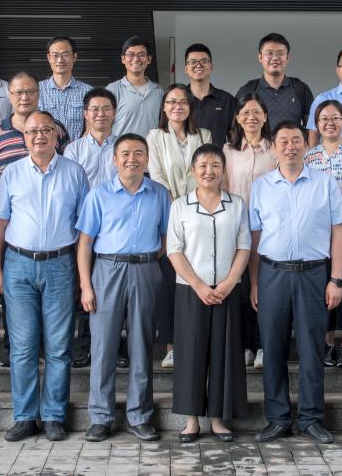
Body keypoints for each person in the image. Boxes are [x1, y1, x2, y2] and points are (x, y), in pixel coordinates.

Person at [0, 111, 89, 443]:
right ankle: (24, 416)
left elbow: (84, 230)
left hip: (61, 265)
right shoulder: (12, 173)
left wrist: (82, 276)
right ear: (24, 137)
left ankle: (54, 416)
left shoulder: (74, 172)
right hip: (18, 264)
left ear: (57, 135)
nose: (39, 136)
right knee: (23, 346)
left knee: (59, 346)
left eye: (46, 130)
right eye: (32, 131)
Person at [249, 121, 342, 445]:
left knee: (311, 349)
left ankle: (311, 419)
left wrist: (336, 279)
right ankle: (278, 418)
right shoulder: (261, 186)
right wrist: (254, 283)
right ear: (274, 147)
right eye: (284, 141)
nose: (290, 146)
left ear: (305, 146)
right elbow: (254, 238)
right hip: (272, 274)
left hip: (313, 275)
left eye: (296, 140)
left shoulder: (324, 183)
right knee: (273, 348)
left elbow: (338, 232)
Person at [76, 134, 170, 443]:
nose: (132, 159)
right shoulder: (99, 194)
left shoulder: (160, 194)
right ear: (114, 159)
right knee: (103, 345)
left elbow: (167, 239)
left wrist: (146, 260)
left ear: (147, 159)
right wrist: (86, 285)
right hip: (107, 269)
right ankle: (100, 417)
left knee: (142, 344)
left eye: (139, 153)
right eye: (125, 153)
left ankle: (139, 416)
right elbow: (85, 243)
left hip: (146, 269)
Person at [169, 144, 250, 442]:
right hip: (191, 290)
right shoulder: (180, 205)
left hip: (228, 290)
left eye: (215, 165)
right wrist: (200, 285)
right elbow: (174, 250)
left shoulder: (237, 204)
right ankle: (191, 421)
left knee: (224, 354)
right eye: (202, 165)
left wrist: (229, 282)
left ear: (224, 170)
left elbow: (244, 245)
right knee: (190, 354)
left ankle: (218, 419)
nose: (209, 171)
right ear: (192, 170)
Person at [147, 84, 213, 369]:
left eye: (183, 102)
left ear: (190, 107)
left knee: (200, 277)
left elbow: (207, 172)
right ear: (164, 107)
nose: (177, 106)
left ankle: (200, 342)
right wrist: (179, 207)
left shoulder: (204, 135)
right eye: (172, 102)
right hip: (169, 215)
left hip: (201, 216)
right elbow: (157, 175)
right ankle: (172, 347)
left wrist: (194, 206)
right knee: (171, 285)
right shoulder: (155, 136)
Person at [302, 99, 342, 370]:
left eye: (335, 118)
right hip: (318, 230)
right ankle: (328, 342)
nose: (330, 123)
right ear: (316, 124)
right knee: (325, 282)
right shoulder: (309, 156)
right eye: (324, 119)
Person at [64, 87, 120, 369]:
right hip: (83, 231)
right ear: (85, 114)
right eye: (95, 109)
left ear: (114, 113)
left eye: (106, 108)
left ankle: (116, 348)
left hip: (115, 231)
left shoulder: (123, 147)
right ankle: (85, 346)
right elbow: (69, 193)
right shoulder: (73, 149)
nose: (100, 114)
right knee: (85, 288)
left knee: (114, 293)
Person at [221, 94, 278, 369]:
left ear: (265, 117)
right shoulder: (228, 151)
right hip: (237, 228)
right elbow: (222, 188)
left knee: (265, 287)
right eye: (245, 112)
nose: (251, 117)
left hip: (269, 229)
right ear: (238, 118)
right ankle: (246, 345)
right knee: (241, 288)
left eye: (256, 112)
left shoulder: (276, 150)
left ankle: (264, 344)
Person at [0, 72, 70, 193]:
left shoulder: (56, 128)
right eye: (19, 92)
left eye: (30, 92)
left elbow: (68, 169)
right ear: (9, 95)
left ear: (39, 94)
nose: (25, 97)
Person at [235, 33, 314, 131]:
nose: (275, 58)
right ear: (260, 57)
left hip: (292, 141)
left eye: (280, 53)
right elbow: (235, 126)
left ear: (288, 57)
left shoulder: (300, 89)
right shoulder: (248, 90)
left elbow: (312, 128)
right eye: (269, 53)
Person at [106, 36, 163, 138]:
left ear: (149, 59)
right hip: (120, 147)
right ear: (123, 59)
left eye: (141, 54)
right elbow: (103, 124)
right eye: (131, 54)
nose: (136, 59)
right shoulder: (112, 90)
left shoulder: (158, 91)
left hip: (150, 148)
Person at [38, 36, 93, 140]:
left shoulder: (88, 92)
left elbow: (92, 127)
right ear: (49, 58)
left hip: (78, 149)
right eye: (55, 55)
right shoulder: (37, 90)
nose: (60, 60)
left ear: (74, 57)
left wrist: (77, 147)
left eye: (65, 54)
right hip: (46, 149)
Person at [184, 43, 236, 148]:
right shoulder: (178, 100)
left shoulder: (227, 100)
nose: (198, 65)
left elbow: (234, 137)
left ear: (211, 66)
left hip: (217, 157)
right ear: (186, 68)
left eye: (204, 61)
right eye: (193, 62)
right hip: (183, 159)